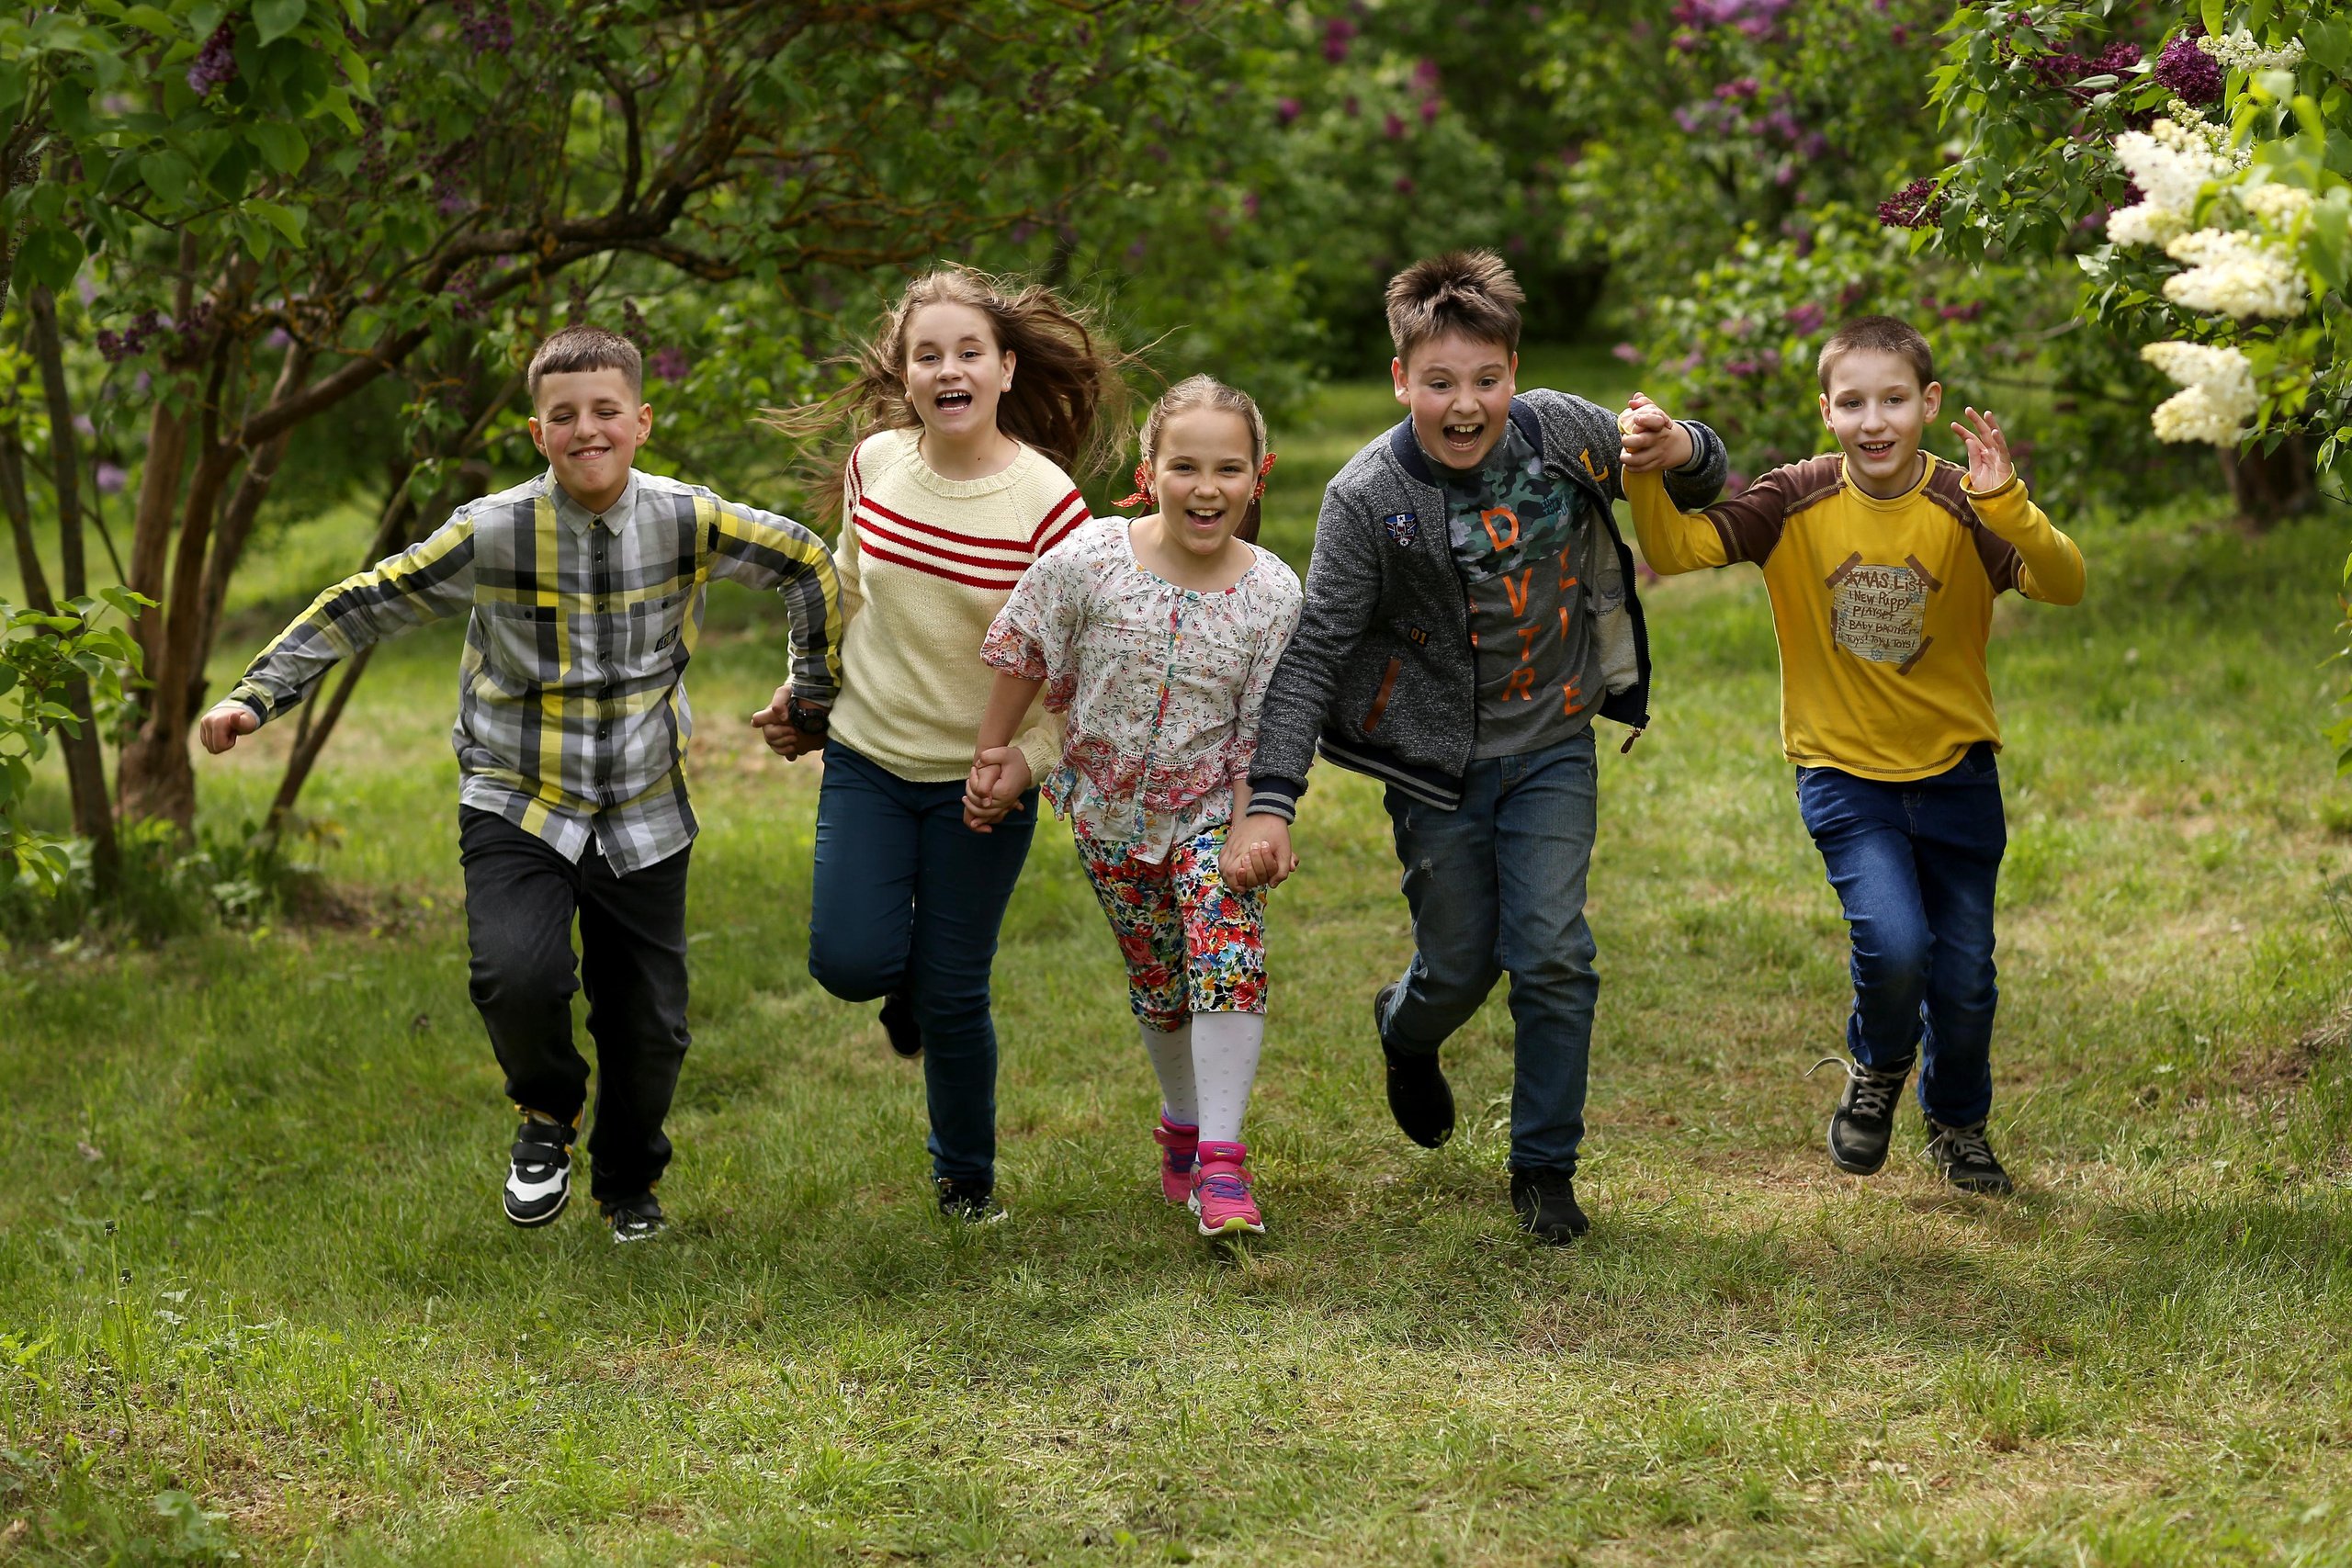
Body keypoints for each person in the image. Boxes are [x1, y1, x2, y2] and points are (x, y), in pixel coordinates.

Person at [199, 323, 842, 1242]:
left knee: (649, 1025)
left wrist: (810, 694)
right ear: (537, 434)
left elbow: (806, 563)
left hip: (643, 803)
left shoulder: (685, 519)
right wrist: (257, 696)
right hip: (516, 793)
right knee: (517, 975)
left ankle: (628, 1185)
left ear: (641, 421)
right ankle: (546, 1113)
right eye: (564, 416)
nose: (588, 430)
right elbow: (367, 600)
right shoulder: (492, 532)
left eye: (606, 411)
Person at [1223, 251, 1728, 1244]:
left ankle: (1543, 1165)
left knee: (1550, 952)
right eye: (1440, 383)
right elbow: (1318, 646)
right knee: (1457, 966)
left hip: (1551, 745)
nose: (1466, 405)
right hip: (1436, 769)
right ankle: (1404, 1031)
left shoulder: (1557, 429)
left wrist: (1679, 445)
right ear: (1401, 377)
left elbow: (1695, 471)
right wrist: (1272, 796)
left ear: (1512, 370)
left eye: (1485, 380)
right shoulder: (1366, 496)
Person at [1620, 314, 2085, 1195]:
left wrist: (2010, 506)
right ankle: (1876, 1069)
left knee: (1965, 977)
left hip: (1958, 776)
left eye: (1896, 400)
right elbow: (1675, 551)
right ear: (1827, 410)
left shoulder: (1965, 500)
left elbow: (2066, 582)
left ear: (1928, 402)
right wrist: (1649, 473)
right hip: (1843, 776)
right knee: (1895, 944)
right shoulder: (1793, 498)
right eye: (1855, 402)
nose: (1876, 421)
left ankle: (1957, 1125)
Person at [760, 268, 1132, 1221]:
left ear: (1007, 369)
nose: (948, 369)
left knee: (956, 991)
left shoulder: (1048, 509)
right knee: (848, 962)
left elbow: (1077, 673)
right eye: (929, 355)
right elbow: (845, 588)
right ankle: (901, 988)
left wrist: (1026, 764)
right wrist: (805, 693)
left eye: (969, 351)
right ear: (905, 372)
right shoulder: (875, 463)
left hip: (982, 785)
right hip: (869, 760)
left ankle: (964, 1182)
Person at [965, 376, 1303, 1237]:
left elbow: (1262, 726)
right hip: (1107, 812)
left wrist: (1253, 823)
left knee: (1227, 947)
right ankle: (1181, 1123)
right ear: (1149, 472)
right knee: (1160, 981)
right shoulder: (1091, 559)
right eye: (1184, 465)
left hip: (1208, 809)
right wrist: (995, 749)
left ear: (1256, 477)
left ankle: (1222, 1165)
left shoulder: (1272, 593)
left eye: (1228, 468)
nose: (1206, 487)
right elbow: (1024, 646)